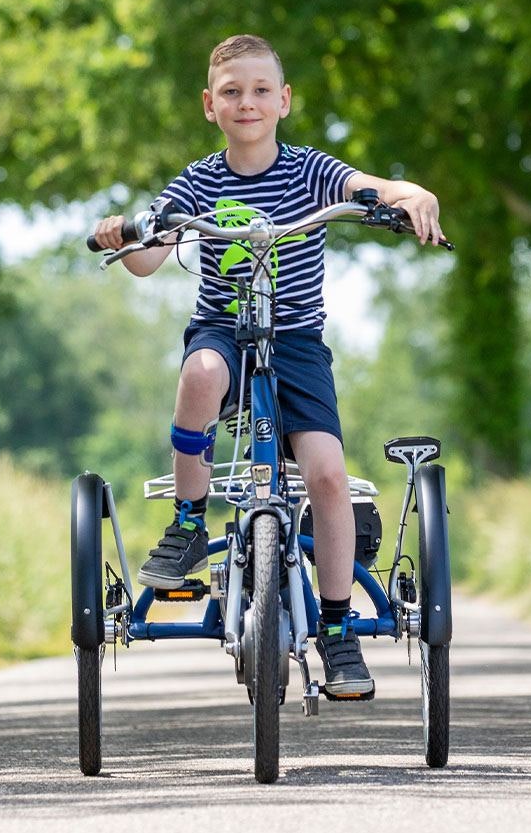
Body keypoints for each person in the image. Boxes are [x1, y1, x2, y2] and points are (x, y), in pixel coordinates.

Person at [92, 34, 445, 696]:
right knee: (198, 375)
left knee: (329, 477)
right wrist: (125, 232)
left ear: (282, 100)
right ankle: (189, 522)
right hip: (222, 332)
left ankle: (337, 631)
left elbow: (371, 186)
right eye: (231, 92)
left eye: (259, 91)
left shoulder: (310, 171)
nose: (245, 102)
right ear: (209, 104)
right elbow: (148, 254)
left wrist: (408, 193)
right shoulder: (196, 182)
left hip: (295, 344)